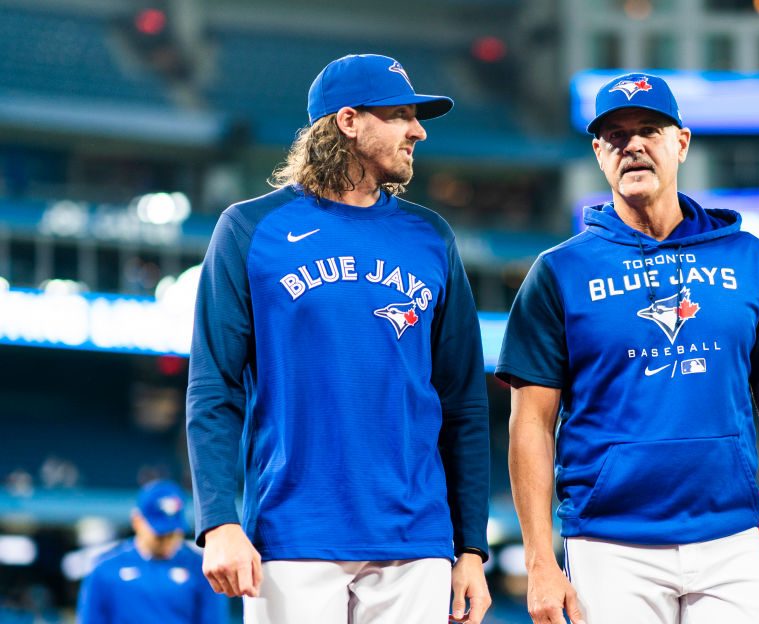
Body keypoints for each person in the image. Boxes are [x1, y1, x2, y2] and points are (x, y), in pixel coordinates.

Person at [497, 72, 759, 624]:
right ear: (599, 153)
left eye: (649, 128)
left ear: (681, 142)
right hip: (610, 545)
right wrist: (539, 562)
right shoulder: (558, 272)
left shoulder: (747, 258)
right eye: (616, 135)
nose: (634, 145)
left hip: (731, 537)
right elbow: (530, 422)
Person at [186, 54, 491, 623]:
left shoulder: (431, 237)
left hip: (415, 539)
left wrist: (471, 546)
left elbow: (464, 402)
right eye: (400, 115)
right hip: (292, 532)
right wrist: (218, 521)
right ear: (348, 121)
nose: (417, 131)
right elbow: (215, 387)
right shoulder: (251, 229)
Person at [77, 480, 227, 624]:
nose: (168, 541)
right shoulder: (105, 569)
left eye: (173, 533)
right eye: (160, 535)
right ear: (137, 521)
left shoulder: (201, 568)